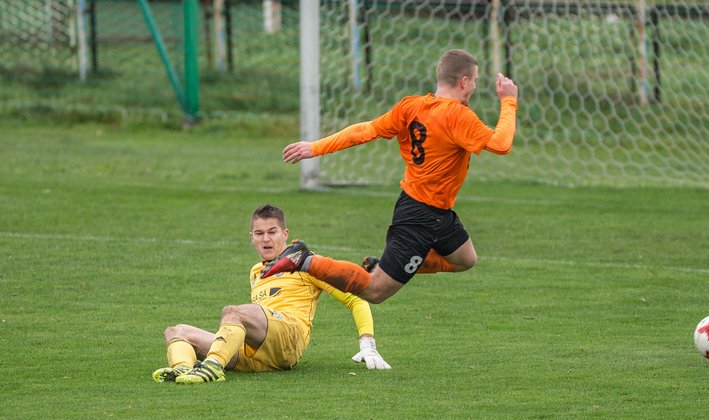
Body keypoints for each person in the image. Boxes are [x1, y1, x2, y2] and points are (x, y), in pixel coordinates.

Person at [261, 49, 518, 304]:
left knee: (465, 259)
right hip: (418, 217)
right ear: (464, 82)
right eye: (474, 81)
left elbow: (366, 130)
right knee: (375, 291)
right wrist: (508, 100)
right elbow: (501, 144)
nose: (474, 87)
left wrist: (316, 147)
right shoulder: (458, 116)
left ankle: (385, 264)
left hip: (437, 213)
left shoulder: (410, 106)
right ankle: (306, 259)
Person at [152, 204, 390, 384]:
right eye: (259, 233)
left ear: (285, 234)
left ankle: (212, 367)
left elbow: (354, 297)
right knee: (176, 331)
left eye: (272, 232)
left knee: (233, 312)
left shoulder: (305, 262)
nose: (266, 239)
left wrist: (367, 342)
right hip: (258, 354)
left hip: (289, 339)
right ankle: (183, 369)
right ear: (251, 237)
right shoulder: (256, 271)